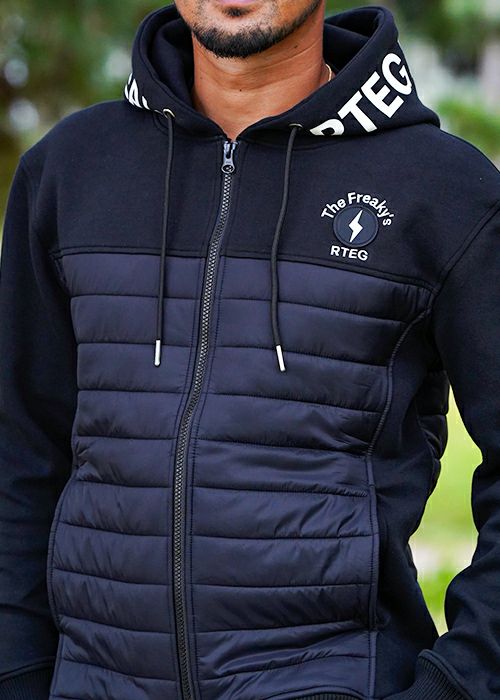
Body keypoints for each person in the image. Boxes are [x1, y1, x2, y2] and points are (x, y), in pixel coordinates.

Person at [0, 0, 499, 698]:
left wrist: (459, 682)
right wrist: (18, 671)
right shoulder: (68, 170)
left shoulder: (447, 191)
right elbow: (20, 454)